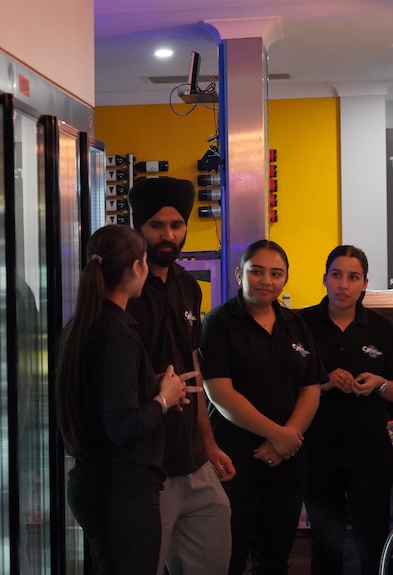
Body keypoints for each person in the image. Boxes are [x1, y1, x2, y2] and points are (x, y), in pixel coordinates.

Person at [55, 224, 194, 575]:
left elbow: (100, 399)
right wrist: (162, 400)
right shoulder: (116, 332)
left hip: (99, 483)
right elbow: (122, 425)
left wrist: (152, 388)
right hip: (122, 492)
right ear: (137, 267)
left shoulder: (83, 326)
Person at [126, 176, 234, 575]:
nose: (168, 235)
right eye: (157, 225)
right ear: (138, 226)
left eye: (176, 225)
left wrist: (208, 443)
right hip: (144, 465)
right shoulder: (122, 287)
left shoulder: (189, 286)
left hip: (192, 460)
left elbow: (193, 368)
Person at [197, 239, 325, 575]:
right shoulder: (218, 323)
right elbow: (220, 393)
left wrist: (288, 438)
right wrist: (276, 435)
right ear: (240, 275)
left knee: (274, 559)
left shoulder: (295, 324)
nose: (266, 280)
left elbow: (310, 388)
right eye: (257, 271)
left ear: (285, 279)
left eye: (276, 273)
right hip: (234, 462)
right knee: (230, 557)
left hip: (287, 463)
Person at [297, 245, 393, 575]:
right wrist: (321, 382)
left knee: (372, 538)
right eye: (337, 275)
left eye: (353, 278)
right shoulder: (300, 324)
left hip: (371, 453)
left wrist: (380, 383)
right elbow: (281, 383)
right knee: (326, 544)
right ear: (325, 279)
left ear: (365, 283)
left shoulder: (382, 328)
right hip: (317, 450)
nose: (344, 285)